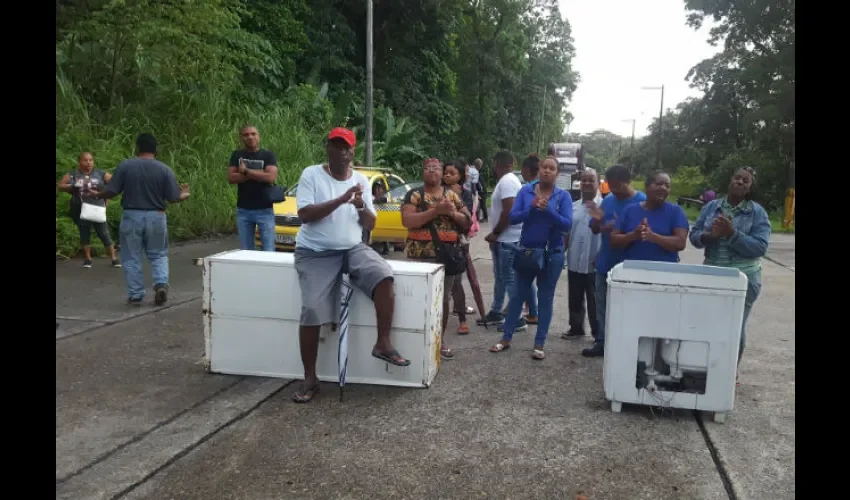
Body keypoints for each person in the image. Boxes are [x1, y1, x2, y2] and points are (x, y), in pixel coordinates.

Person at [291, 127, 407, 403]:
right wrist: (342, 199)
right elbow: (305, 214)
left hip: (352, 248)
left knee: (384, 276)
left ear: (353, 151)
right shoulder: (311, 174)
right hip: (315, 252)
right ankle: (310, 378)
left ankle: (383, 343)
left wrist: (359, 207)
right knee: (310, 310)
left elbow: (371, 223)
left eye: (346, 147)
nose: (342, 152)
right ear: (328, 149)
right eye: (336, 146)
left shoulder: (361, 181)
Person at [86, 134, 190, 306]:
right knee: (159, 254)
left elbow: (112, 191)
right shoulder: (164, 169)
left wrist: (97, 194)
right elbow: (173, 197)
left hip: (132, 215)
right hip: (157, 215)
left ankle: (136, 294)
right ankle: (161, 284)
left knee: (131, 255)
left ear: (138, 148)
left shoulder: (126, 166)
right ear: (155, 150)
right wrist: (183, 195)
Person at [489, 156, 572, 360]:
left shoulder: (563, 197)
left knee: (545, 298)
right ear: (539, 170)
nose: (547, 171)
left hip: (552, 254)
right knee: (517, 295)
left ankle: (539, 343)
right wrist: (532, 207)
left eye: (552, 168)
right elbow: (514, 217)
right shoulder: (526, 191)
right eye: (544, 167)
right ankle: (506, 338)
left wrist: (550, 210)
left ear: (557, 173)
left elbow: (566, 225)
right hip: (527, 251)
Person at [689, 166, 770, 372]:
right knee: (707, 325)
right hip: (712, 274)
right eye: (737, 178)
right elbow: (695, 236)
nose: (740, 182)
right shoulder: (711, 207)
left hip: (743, 277)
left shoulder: (757, 212)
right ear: (730, 180)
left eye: (746, 181)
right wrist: (711, 236)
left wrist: (732, 234)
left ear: (750, 188)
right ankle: (705, 370)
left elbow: (760, 247)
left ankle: (728, 375)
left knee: (735, 327)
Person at [401, 158, 471, 358]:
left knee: (443, 301)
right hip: (419, 257)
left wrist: (453, 214)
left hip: (446, 258)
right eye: (427, 168)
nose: (432, 171)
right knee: (418, 299)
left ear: (442, 173)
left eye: (436, 168)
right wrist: (435, 211)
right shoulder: (415, 194)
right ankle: (416, 342)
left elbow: (468, 222)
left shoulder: (452, 195)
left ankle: (439, 342)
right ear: (422, 172)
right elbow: (407, 220)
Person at [581, 165, 646, 358]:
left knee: (628, 308)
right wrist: (596, 219)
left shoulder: (642, 202)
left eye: (619, 187)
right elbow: (595, 227)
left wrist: (613, 227)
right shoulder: (609, 200)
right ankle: (601, 342)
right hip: (606, 262)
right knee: (602, 305)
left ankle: (626, 345)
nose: (615, 191)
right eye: (612, 187)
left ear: (628, 181)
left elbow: (640, 234)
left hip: (629, 266)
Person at [478, 151, 535, 330]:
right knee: (501, 278)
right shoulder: (508, 181)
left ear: (497, 163)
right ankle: (496, 311)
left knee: (509, 279)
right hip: (504, 239)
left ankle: (517, 318)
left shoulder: (508, 181)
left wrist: (496, 232)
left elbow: (509, 210)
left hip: (508, 239)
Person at [57, 152, 121, 268]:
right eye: (85, 160)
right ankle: (88, 259)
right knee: (84, 233)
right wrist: (72, 186)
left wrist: (106, 196)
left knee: (104, 233)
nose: (88, 163)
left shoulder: (100, 173)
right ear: (79, 162)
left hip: (97, 207)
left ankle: (114, 258)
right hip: (79, 208)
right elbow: (60, 186)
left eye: (91, 160)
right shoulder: (73, 174)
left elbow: (115, 184)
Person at [610, 171, 689, 262]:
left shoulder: (676, 212)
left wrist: (653, 237)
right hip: (632, 269)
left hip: (664, 270)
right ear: (646, 187)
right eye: (658, 184)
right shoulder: (629, 210)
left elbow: (680, 243)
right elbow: (613, 241)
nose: (663, 188)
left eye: (667, 185)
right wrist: (633, 236)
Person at [563, 168, 603, 339]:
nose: (586, 183)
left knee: (596, 301)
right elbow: (566, 234)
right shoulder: (572, 208)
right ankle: (576, 329)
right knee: (575, 298)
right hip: (574, 260)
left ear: (598, 182)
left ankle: (598, 334)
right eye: (584, 180)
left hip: (596, 262)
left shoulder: (604, 206)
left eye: (591, 180)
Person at [227, 125, 279, 251]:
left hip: (265, 210)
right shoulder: (236, 155)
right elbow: (231, 178)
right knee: (246, 251)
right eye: (246, 134)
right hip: (243, 210)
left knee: (268, 250)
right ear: (241, 138)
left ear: (258, 136)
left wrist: (246, 172)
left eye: (253, 134)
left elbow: (271, 177)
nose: (250, 137)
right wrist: (259, 173)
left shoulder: (267, 155)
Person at [442, 160, 476, 333]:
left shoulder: (466, 194)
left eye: (452, 173)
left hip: (458, 242)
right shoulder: (437, 191)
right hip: (438, 242)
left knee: (456, 282)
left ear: (460, 176)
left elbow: (467, 221)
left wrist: (454, 205)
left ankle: (462, 318)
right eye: (445, 172)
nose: (447, 175)